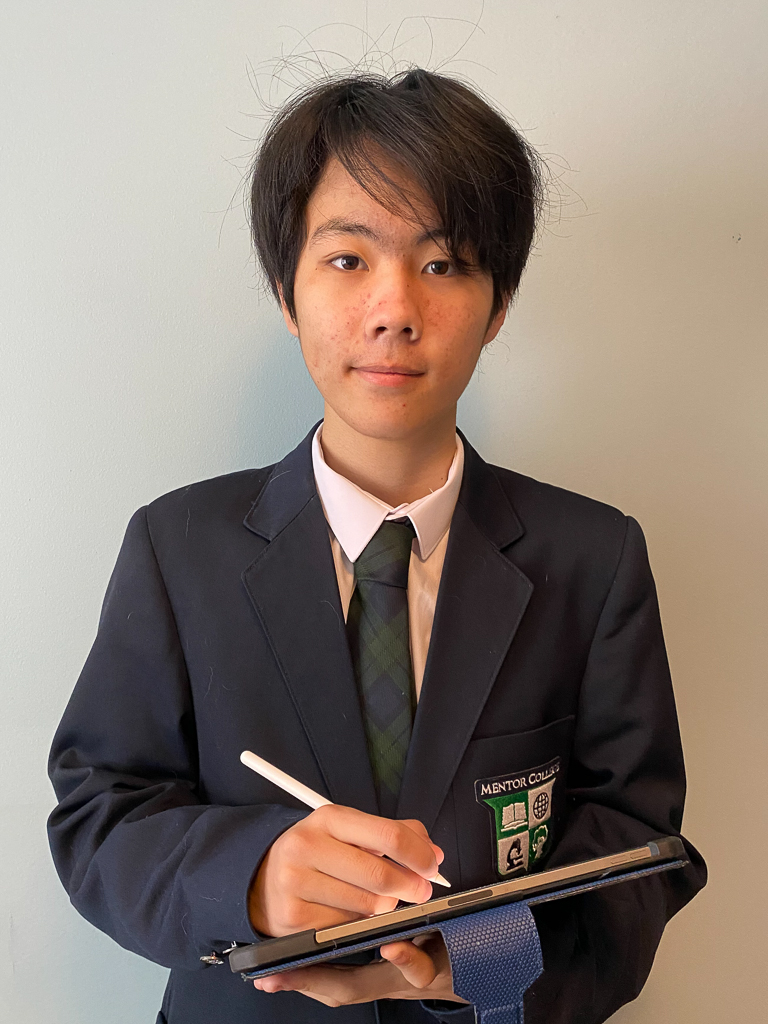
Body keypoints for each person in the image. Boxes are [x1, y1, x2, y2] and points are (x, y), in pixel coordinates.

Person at [47, 68, 707, 1024]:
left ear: (499, 302)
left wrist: (468, 965)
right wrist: (253, 877)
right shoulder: (177, 548)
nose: (395, 308)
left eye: (444, 264)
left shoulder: (593, 560)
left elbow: (637, 851)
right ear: (288, 292)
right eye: (348, 259)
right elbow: (99, 813)